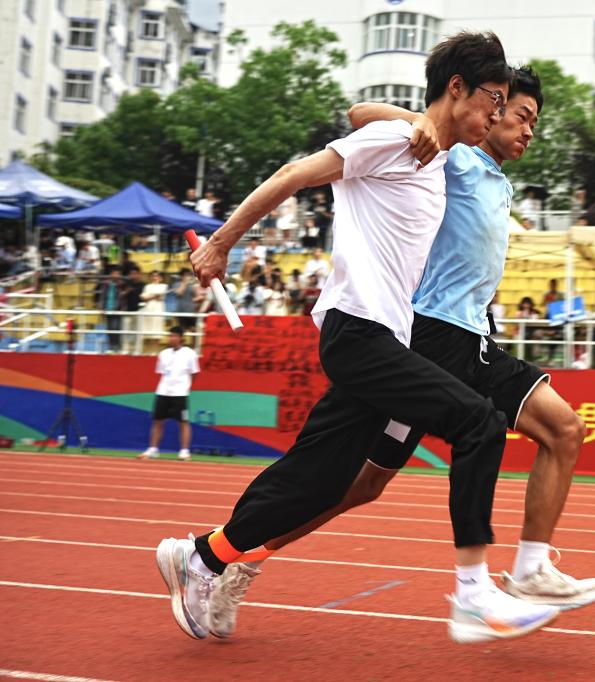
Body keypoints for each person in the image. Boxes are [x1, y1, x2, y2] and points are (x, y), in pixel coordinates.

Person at [155, 32, 557, 645]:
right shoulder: (396, 140)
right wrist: (220, 244)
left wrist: (424, 126)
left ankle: (202, 556)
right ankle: (474, 593)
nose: (499, 116)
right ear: (458, 89)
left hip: (388, 337)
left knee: (323, 480)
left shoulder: (440, 159)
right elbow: (297, 172)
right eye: (495, 101)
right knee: (478, 421)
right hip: (357, 330)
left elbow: (395, 119)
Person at [138, 326, 199, 461]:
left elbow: (194, 373)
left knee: (183, 422)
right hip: (163, 391)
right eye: (170, 336)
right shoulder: (163, 354)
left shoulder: (190, 354)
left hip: (180, 394)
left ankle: (184, 451)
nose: (172, 338)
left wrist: (186, 387)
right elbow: (161, 373)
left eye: (175, 336)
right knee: (158, 421)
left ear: (181, 338)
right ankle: (153, 449)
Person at [140, 271, 168, 340]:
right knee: (147, 329)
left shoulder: (164, 286)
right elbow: (143, 297)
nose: (155, 278)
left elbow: (160, 297)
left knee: (157, 329)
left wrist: (150, 296)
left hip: (158, 308)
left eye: (157, 276)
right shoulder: (147, 286)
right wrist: (154, 296)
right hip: (148, 308)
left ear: (161, 278)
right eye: (153, 276)